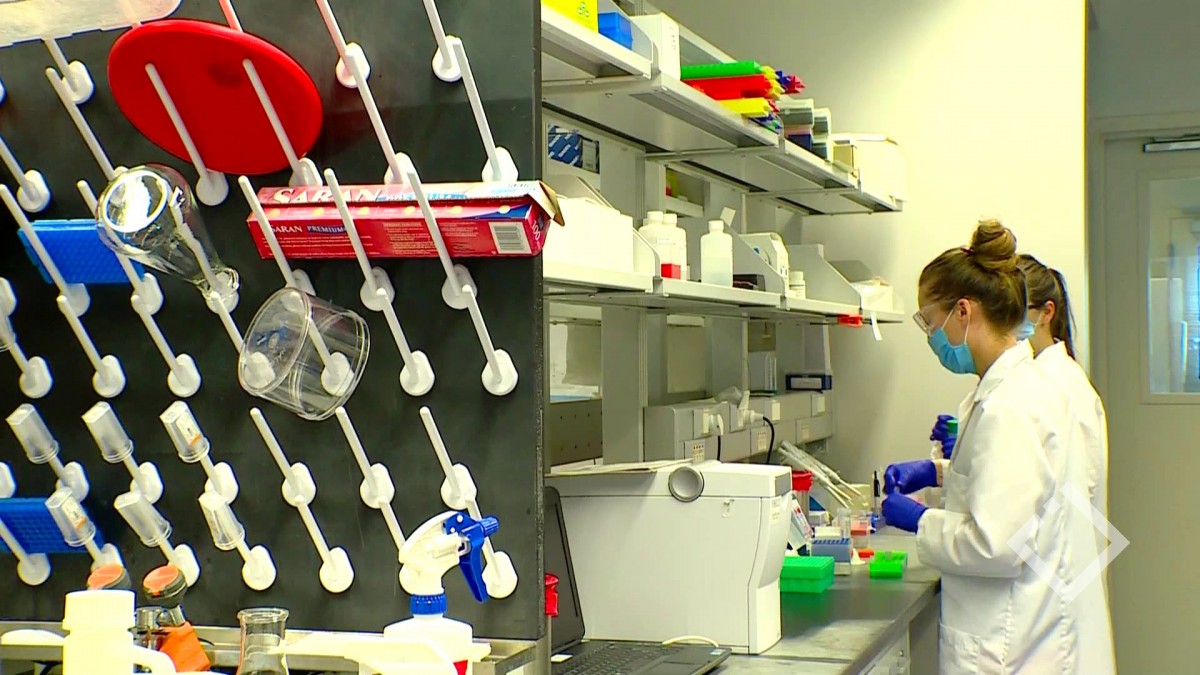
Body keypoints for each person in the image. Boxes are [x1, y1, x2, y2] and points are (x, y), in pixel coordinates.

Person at [880, 220, 1113, 673]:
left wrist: (921, 520)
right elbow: (1018, 490)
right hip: (1024, 628)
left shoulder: (1011, 405)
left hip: (1011, 645)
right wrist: (941, 472)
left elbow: (995, 546)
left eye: (930, 321)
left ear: (963, 312)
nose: (931, 337)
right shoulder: (1016, 388)